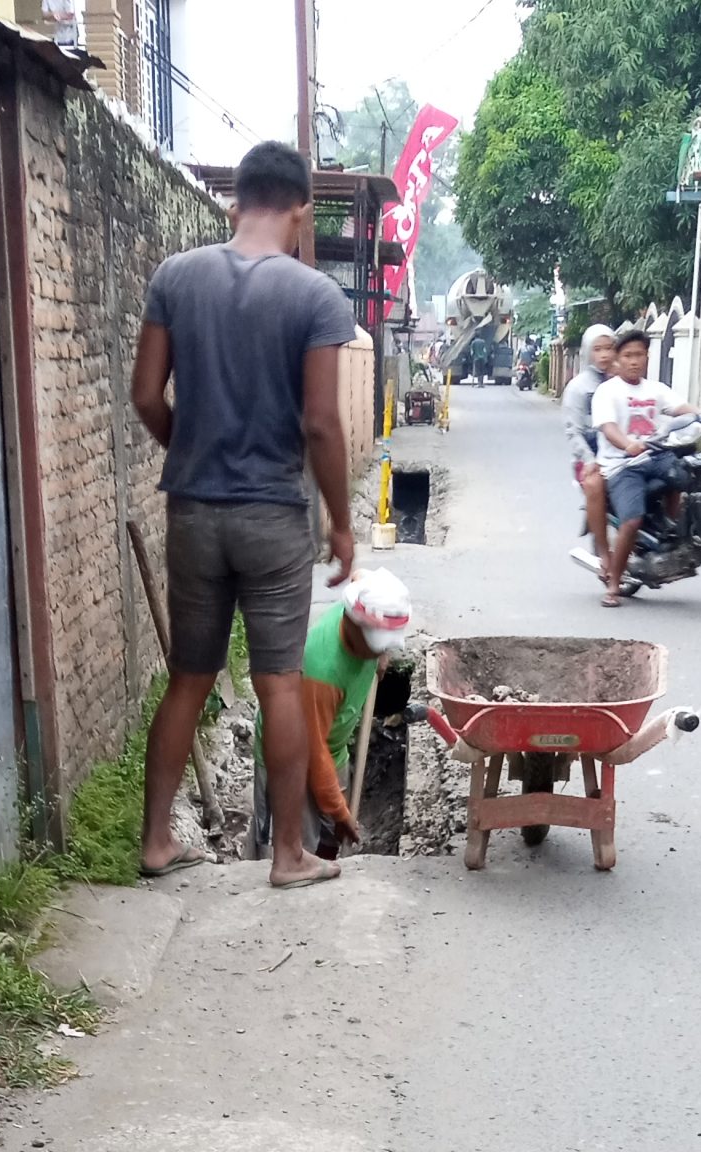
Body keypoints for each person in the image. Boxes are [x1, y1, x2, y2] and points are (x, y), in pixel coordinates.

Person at [130, 141, 357, 891]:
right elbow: (322, 423)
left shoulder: (175, 277)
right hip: (271, 516)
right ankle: (289, 854)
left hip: (193, 515)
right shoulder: (315, 296)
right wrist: (342, 522)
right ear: (299, 208)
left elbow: (145, 396)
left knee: (189, 680)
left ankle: (157, 841)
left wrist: (189, 451)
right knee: (280, 685)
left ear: (236, 201)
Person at [250, 571, 413, 867]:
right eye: (377, 643)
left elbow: (360, 576)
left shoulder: (358, 602)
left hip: (332, 744)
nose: (379, 650)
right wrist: (340, 811)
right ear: (353, 623)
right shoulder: (321, 672)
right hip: (291, 756)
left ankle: (328, 869)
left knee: (331, 835)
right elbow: (313, 752)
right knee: (298, 845)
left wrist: (381, 655)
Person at [591, 326, 701, 605]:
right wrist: (627, 444)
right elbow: (608, 427)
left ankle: (678, 534)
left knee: (689, 473)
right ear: (617, 359)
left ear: (647, 357)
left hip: (655, 456)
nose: (633, 361)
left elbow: (682, 410)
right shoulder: (607, 392)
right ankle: (614, 584)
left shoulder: (656, 389)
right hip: (622, 466)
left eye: (639, 355)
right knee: (632, 520)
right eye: (627, 355)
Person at [561, 324, 618, 577]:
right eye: (598, 349)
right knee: (598, 487)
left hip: (621, 452)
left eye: (609, 348)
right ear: (587, 352)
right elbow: (573, 431)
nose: (605, 355)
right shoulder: (579, 387)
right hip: (591, 457)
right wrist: (589, 459)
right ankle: (605, 558)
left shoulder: (622, 382)